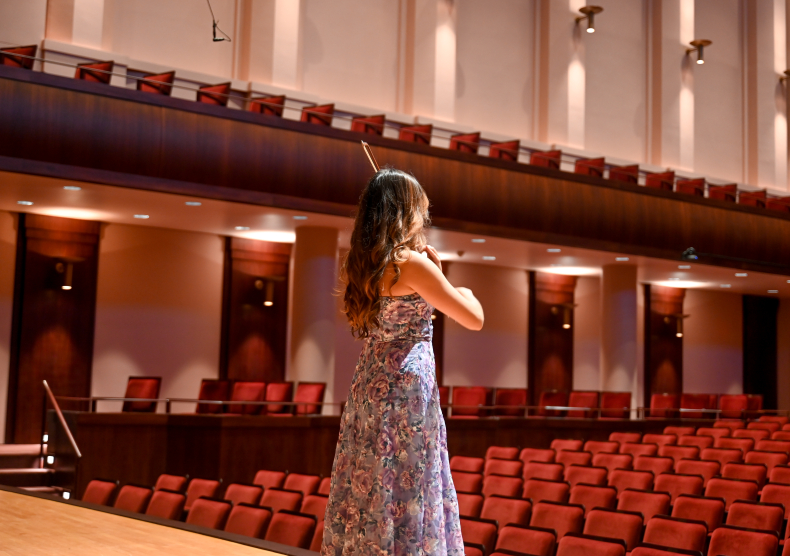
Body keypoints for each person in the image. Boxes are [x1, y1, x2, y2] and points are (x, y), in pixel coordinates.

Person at [321, 168, 484, 556]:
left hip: (371, 379)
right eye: (420, 209)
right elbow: (474, 318)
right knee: (409, 475)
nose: (423, 218)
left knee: (372, 471)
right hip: (407, 383)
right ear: (405, 211)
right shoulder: (410, 263)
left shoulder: (363, 261)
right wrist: (458, 286)